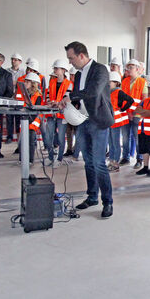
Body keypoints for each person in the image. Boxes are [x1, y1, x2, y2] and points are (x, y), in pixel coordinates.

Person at [60, 41, 115, 219]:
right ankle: (92, 197)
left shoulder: (100, 70)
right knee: (88, 162)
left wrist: (71, 96)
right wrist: (65, 102)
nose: (70, 62)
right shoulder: (78, 74)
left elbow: (93, 91)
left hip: (98, 121)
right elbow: (79, 98)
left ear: (82, 55)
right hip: (83, 120)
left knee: (99, 163)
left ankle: (107, 202)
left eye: (71, 58)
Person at [43, 59, 72, 167]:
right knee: (49, 136)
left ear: (63, 70)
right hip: (51, 113)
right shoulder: (52, 82)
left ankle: (59, 159)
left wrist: (57, 103)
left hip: (62, 114)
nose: (55, 70)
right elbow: (47, 95)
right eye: (54, 68)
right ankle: (50, 157)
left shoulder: (69, 84)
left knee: (60, 137)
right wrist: (50, 102)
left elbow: (66, 98)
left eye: (56, 68)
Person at [120, 59, 147, 168]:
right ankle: (125, 157)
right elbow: (121, 98)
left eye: (131, 67)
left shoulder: (142, 82)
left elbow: (144, 100)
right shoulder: (124, 81)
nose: (129, 69)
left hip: (137, 115)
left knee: (137, 137)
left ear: (137, 69)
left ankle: (139, 159)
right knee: (125, 137)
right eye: (128, 67)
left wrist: (134, 112)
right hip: (126, 114)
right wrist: (128, 112)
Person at [108, 71, 134, 172]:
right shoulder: (108, 92)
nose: (108, 83)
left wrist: (123, 109)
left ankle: (115, 163)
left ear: (116, 82)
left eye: (110, 82)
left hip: (116, 121)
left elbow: (130, 100)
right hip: (109, 120)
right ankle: (111, 160)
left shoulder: (119, 92)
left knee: (115, 142)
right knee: (111, 142)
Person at [19, 72, 44, 164]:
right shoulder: (27, 94)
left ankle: (30, 160)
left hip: (32, 122)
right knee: (22, 142)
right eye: (25, 81)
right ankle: (22, 159)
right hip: (25, 120)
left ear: (33, 83)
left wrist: (29, 121)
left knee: (30, 142)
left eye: (27, 82)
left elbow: (36, 111)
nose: (25, 83)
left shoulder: (38, 96)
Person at [6, 53, 26, 143]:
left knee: (18, 118)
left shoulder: (23, 72)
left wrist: (16, 83)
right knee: (9, 118)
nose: (13, 61)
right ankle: (9, 137)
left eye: (15, 60)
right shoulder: (7, 71)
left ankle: (18, 136)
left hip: (19, 99)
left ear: (20, 61)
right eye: (12, 59)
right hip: (9, 98)